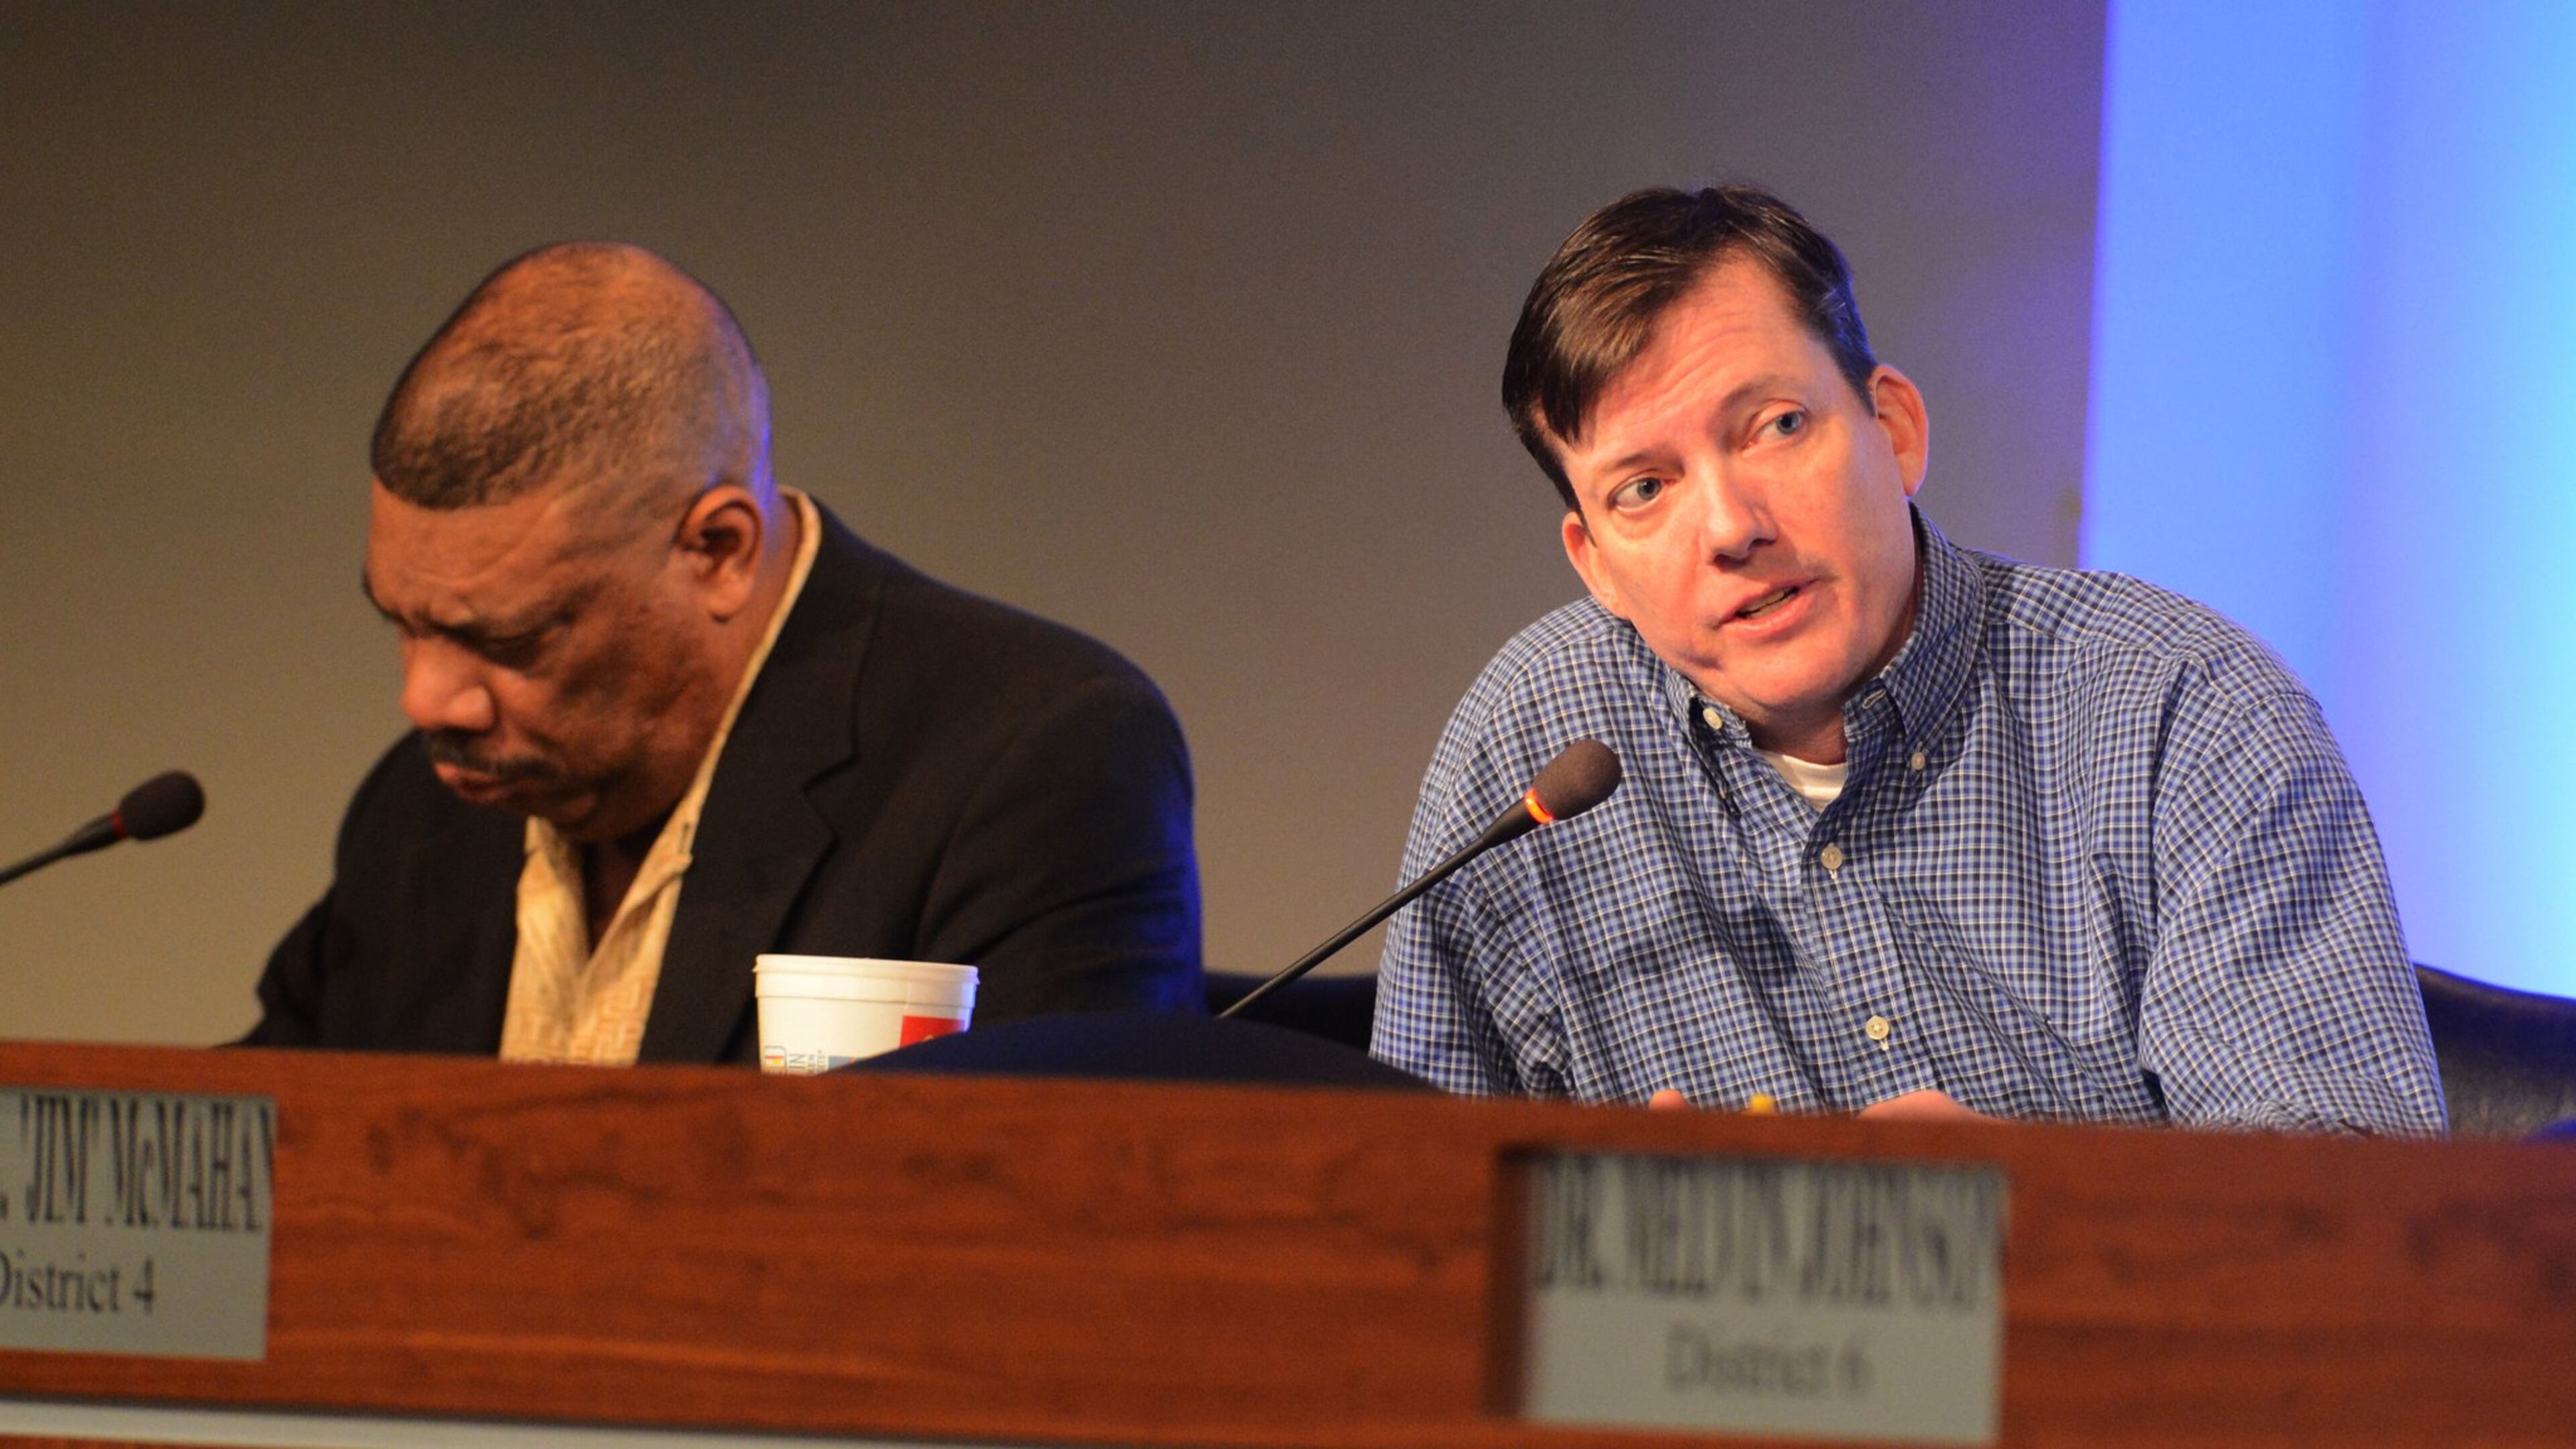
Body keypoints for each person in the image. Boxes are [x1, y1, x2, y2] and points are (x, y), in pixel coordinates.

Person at [1371, 186, 2445, 1133]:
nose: (1729, 527)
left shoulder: (2183, 715)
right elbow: (1400, 1231)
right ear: (1595, 564)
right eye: (1642, 489)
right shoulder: (1534, 747)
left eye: (1774, 426)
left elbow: (2343, 1220)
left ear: (1894, 428)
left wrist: (2032, 1223)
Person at [247, 242, 1201, 1063]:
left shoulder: (1038, 763)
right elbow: (263, 1159)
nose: (428, 700)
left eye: (506, 639)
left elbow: (1062, 1225)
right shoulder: (417, 816)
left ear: (719, 553)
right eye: (404, 623)